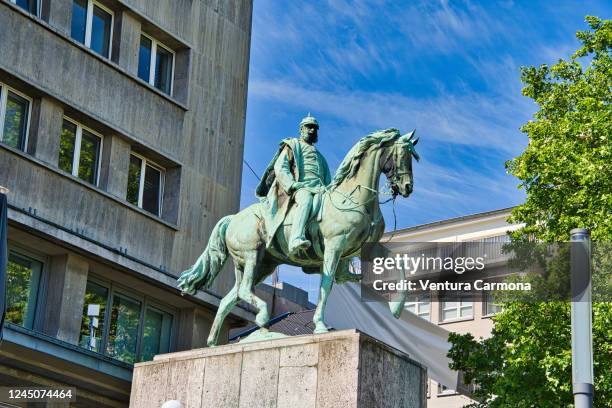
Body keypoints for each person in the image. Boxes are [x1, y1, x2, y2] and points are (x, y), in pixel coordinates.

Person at [256, 114, 331, 255]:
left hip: (320, 190)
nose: (312, 130)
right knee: (306, 200)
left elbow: (328, 180)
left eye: (315, 128)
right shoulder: (292, 146)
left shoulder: (321, 157)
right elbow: (280, 167)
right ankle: (295, 238)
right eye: (309, 127)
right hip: (301, 188)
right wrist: (292, 184)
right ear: (301, 129)